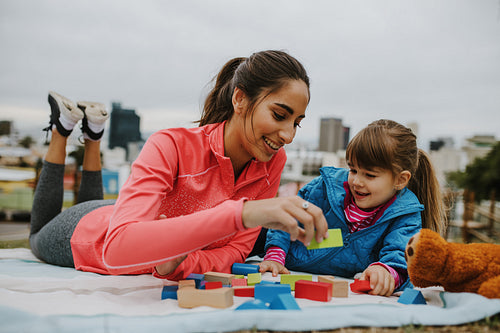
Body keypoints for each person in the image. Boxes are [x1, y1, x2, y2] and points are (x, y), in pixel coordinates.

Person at [29, 50, 329, 280]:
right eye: (279, 115)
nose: (288, 135)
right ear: (240, 99)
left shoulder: (272, 161)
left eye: (297, 124)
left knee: (107, 206)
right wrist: (244, 213)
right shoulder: (170, 144)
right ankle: (61, 131)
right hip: (87, 234)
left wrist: (177, 263)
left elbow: (235, 252)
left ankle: (93, 135)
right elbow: (117, 247)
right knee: (36, 233)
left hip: (119, 214)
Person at [260, 119, 447, 296]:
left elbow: (400, 255)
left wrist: (387, 272)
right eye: (353, 170)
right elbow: (287, 217)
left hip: (341, 286)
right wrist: (274, 255)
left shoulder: (405, 214)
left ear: (400, 179)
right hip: (287, 268)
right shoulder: (325, 187)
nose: (357, 182)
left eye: (370, 175)